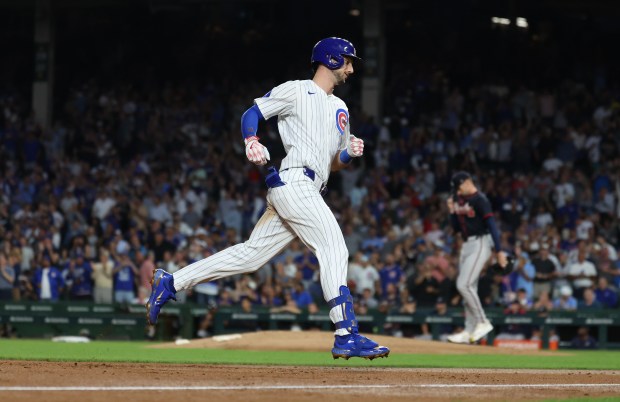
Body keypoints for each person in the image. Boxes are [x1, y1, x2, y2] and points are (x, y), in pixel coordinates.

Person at [146, 37, 389, 360]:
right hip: (294, 182)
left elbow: (331, 164)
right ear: (330, 60)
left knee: (251, 256)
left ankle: (172, 281)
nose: (351, 68)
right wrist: (251, 140)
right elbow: (253, 112)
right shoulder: (297, 90)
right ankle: (346, 332)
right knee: (333, 246)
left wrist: (347, 154)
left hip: (308, 187)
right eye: (347, 60)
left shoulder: (340, 108)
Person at [446, 171, 508, 344]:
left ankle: (482, 321)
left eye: (458, 187)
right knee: (469, 287)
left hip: (481, 243)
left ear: (467, 182)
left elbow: (492, 226)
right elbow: (456, 229)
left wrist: (499, 251)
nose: (457, 192)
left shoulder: (480, 200)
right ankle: (469, 330)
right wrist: (452, 211)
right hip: (466, 245)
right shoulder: (460, 201)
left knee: (463, 284)